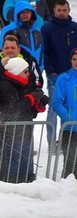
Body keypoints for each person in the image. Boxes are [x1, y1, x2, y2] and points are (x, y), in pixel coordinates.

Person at [0, 57, 48, 183]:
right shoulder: (5, 87)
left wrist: (39, 104)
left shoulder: (22, 86)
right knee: (12, 175)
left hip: (25, 135)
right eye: (25, 71)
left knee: (24, 173)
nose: (29, 74)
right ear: (17, 71)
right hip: (11, 137)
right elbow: (13, 110)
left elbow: (27, 112)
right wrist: (30, 98)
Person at [41, 0, 77, 145]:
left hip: (73, 74)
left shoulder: (75, 27)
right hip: (55, 74)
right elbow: (45, 51)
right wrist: (51, 71)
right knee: (55, 107)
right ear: (54, 10)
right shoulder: (47, 28)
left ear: (69, 11)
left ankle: (66, 141)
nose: (61, 13)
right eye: (59, 10)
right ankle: (52, 142)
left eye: (64, 10)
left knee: (71, 106)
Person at [52, 48, 77, 178]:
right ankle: (66, 192)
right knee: (70, 164)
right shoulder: (64, 78)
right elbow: (56, 102)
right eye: (74, 59)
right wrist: (68, 118)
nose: (76, 62)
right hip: (70, 129)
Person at [0, 1, 44, 71]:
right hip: (15, 71)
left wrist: (40, 68)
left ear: (32, 13)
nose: (25, 14)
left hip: (35, 71)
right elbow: (2, 51)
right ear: (17, 13)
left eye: (28, 12)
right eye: (22, 12)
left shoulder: (37, 31)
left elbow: (41, 51)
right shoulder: (8, 30)